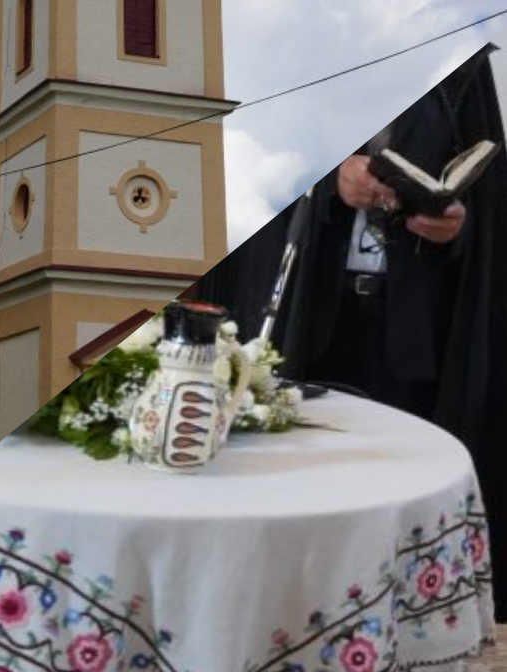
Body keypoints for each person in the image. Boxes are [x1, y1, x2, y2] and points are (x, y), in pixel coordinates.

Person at [197, 44, 507, 621]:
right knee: (290, 491)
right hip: (307, 324)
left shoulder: (459, 56)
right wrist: (331, 178)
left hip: (408, 333)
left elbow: (488, 211)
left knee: (390, 502)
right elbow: (241, 159)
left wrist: (455, 227)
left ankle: (384, 639)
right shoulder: (308, 35)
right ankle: (281, 628)